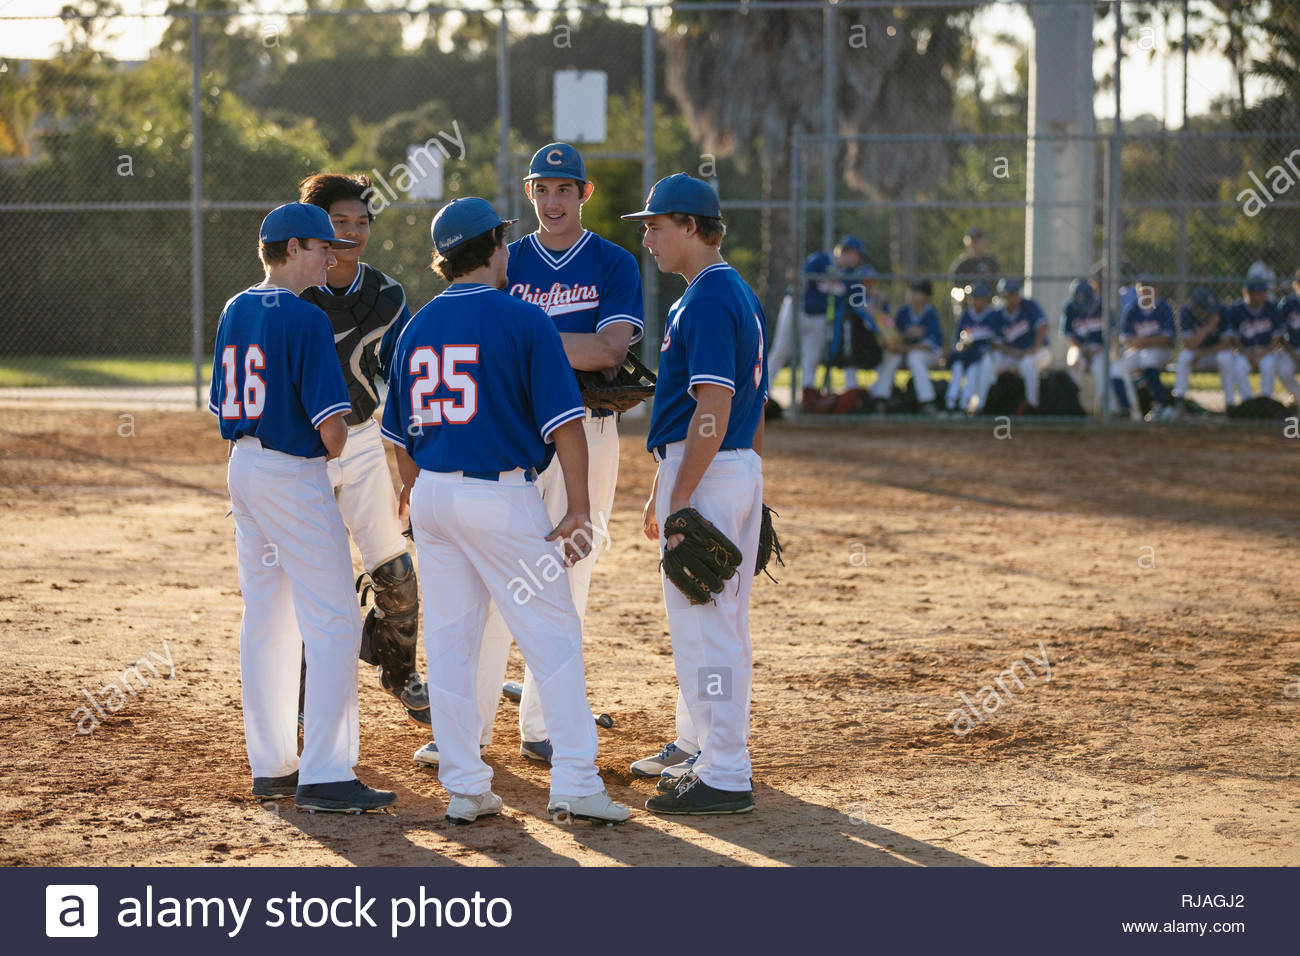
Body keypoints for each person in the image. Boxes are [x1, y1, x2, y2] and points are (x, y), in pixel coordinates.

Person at [381, 197, 629, 825]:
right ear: (492, 249)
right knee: (553, 637)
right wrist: (577, 509)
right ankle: (575, 780)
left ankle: (465, 787)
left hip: (433, 496)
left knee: (452, 644)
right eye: (502, 242)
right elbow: (568, 427)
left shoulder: (417, 326)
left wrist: (415, 494)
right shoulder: (523, 320)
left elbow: (395, 437)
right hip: (500, 498)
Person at [210, 202, 395, 814]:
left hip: (244, 466)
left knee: (267, 616)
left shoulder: (237, 307)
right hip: (293, 472)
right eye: (320, 246)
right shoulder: (307, 318)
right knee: (336, 617)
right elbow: (333, 432)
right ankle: (326, 772)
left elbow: (223, 404)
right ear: (291, 249)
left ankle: (273, 766)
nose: (332, 254)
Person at [623, 174, 766, 815]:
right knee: (720, 625)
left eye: (655, 225)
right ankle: (713, 757)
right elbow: (744, 411)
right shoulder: (730, 290)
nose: (647, 236)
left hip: (708, 470)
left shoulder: (706, 298)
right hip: (723, 466)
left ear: (689, 226)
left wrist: (683, 496)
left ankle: (726, 771)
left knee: (708, 631)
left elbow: (714, 403)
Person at [295, 173, 428, 727]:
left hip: (365, 439)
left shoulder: (387, 295)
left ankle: (399, 670)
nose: (352, 231)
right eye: (338, 222)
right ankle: (303, 695)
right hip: (302, 452)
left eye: (361, 222)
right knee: (313, 581)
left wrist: (410, 467)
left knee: (395, 570)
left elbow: (402, 382)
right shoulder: (293, 290)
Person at [869, 279, 942, 412]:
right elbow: (895, 337)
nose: (912, 294)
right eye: (911, 291)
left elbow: (928, 345)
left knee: (915, 357)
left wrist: (904, 348)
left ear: (926, 297)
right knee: (891, 356)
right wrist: (902, 340)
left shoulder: (931, 313)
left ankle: (927, 401)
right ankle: (881, 399)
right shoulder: (903, 312)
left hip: (929, 354)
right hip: (906, 352)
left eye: (917, 292)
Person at [825, 237, 887, 393]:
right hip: (841, 324)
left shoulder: (852, 274)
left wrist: (876, 303)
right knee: (846, 360)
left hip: (858, 330)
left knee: (871, 358)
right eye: (856, 255)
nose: (858, 259)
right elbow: (855, 303)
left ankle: (869, 393)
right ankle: (850, 394)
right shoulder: (837, 270)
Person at [1110, 276, 1176, 421]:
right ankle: (1128, 409)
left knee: (1148, 359)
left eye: (1149, 287)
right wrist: (1144, 342)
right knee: (1116, 369)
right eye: (1142, 287)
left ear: (1156, 290)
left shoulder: (1164, 308)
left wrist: (1141, 342)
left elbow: (1166, 339)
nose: (1145, 291)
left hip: (1161, 351)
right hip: (1138, 350)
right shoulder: (1132, 309)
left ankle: (1160, 404)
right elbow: (1126, 339)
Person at [1171, 288, 1243, 414]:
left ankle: (1230, 404)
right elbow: (1189, 344)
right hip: (1197, 355)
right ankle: (1179, 400)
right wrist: (1208, 327)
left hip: (1214, 354)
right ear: (1194, 306)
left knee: (1225, 358)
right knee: (1184, 357)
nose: (1207, 311)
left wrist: (1204, 352)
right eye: (1202, 308)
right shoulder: (1186, 312)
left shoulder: (1221, 310)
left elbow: (1226, 343)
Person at [990, 278, 1050, 412]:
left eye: (1015, 294)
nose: (1012, 298)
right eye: (1008, 294)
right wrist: (1016, 354)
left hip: (1038, 351)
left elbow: (1043, 326)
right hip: (1013, 354)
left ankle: (1031, 405)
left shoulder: (1028, 305)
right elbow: (997, 344)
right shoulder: (998, 314)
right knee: (991, 362)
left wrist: (1033, 350)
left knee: (1027, 364)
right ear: (1002, 296)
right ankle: (986, 404)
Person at [944, 281, 1000, 415]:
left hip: (980, 354)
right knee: (957, 367)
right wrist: (960, 345)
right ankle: (950, 403)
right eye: (973, 298)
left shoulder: (992, 315)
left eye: (979, 298)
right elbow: (957, 338)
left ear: (986, 299)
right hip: (965, 352)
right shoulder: (966, 314)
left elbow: (994, 339)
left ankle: (964, 404)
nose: (975, 301)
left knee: (973, 371)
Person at [1225, 277, 1282, 405]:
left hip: (1265, 351)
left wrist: (1264, 352)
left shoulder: (1272, 308)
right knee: (1238, 367)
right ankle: (1248, 403)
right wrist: (1246, 353)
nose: (1261, 295)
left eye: (1263, 292)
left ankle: (1265, 402)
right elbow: (1232, 338)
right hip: (1244, 352)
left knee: (1269, 365)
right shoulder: (1236, 309)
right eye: (1257, 292)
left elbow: (1277, 337)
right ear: (1247, 293)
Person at [946, 227, 999, 338]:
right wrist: (966, 298)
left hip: (989, 305)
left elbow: (999, 286)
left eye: (977, 241)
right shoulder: (962, 265)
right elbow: (954, 289)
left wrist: (992, 300)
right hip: (969, 305)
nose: (975, 245)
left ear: (984, 242)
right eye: (972, 242)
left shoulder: (991, 263)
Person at [1061, 277, 1107, 399]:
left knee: (1100, 367)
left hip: (1099, 348)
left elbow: (1111, 335)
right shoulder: (1070, 307)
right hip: (1077, 347)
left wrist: (1096, 351)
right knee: (1074, 363)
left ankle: (1104, 409)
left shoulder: (1102, 305)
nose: (1081, 298)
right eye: (1079, 296)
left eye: (1084, 296)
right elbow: (1067, 334)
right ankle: (1072, 403)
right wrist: (1080, 349)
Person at [1267, 271, 1300, 404]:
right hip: (1292, 349)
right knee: (1283, 370)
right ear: (1296, 284)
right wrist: (1292, 353)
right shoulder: (1288, 304)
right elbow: (1279, 334)